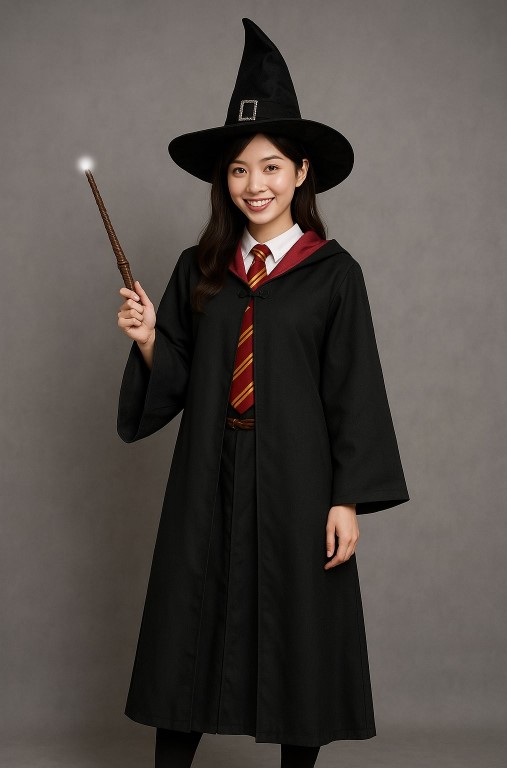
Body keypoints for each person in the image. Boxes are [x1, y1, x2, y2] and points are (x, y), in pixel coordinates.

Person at [116, 18, 409, 768]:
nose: (256, 186)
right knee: (189, 624)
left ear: (302, 173)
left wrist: (346, 500)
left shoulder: (333, 275)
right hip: (207, 474)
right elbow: (177, 380)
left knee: (300, 631)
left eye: (272, 167)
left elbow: (353, 392)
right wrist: (149, 338)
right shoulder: (200, 270)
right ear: (224, 180)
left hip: (297, 481)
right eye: (240, 170)